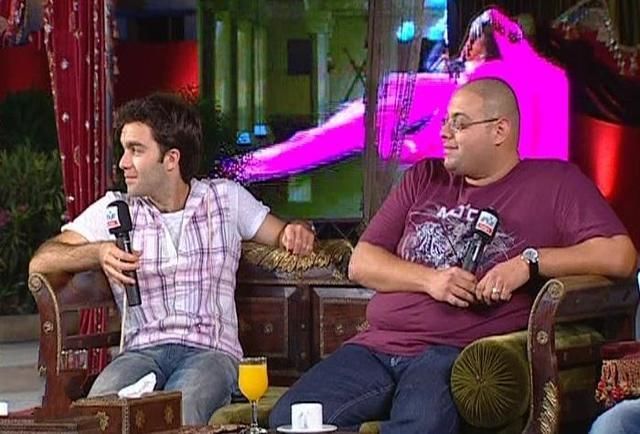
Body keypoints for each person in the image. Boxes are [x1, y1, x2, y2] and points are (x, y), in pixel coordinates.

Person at [268, 78, 637, 433]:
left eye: (459, 124)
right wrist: (432, 281)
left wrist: (529, 262)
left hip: (450, 352)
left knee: (421, 426)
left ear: (500, 130)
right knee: (290, 418)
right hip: (375, 346)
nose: (444, 132)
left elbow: (621, 255)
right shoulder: (424, 177)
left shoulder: (554, 183)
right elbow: (362, 262)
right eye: (445, 121)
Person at [29, 93, 315, 425]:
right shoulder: (116, 210)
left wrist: (299, 230)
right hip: (141, 352)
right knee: (100, 411)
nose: (123, 162)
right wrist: (98, 251)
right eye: (124, 150)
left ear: (171, 159)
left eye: (136, 150)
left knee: (183, 406)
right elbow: (41, 262)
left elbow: (285, 233)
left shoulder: (225, 199)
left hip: (210, 352)